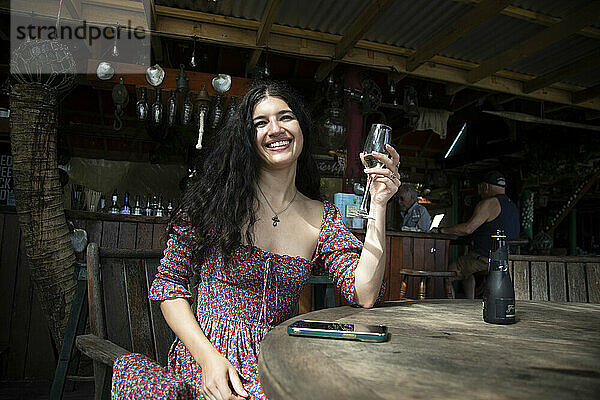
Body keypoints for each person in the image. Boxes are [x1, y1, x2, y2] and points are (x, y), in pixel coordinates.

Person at [111, 80, 401, 400]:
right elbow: (169, 287)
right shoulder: (214, 204)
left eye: (285, 117)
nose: (275, 128)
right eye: (260, 122)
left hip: (278, 359)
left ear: (302, 128)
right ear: (248, 139)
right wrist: (208, 359)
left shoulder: (323, 216)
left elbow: (365, 293)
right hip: (207, 361)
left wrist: (378, 203)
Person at [432, 171, 519, 299]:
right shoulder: (512, 205)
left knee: (449, 273)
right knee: (467, 272)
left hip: (485, 258)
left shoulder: (489, 203)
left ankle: (450, 308)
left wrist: (441, 231)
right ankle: (470, 303)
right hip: (507, 259)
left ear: (486, 187)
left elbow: (468, 228)